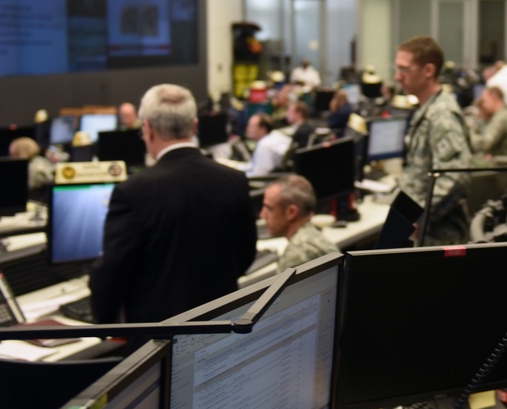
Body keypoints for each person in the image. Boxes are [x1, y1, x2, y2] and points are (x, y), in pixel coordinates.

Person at [89, 84, 257, 323]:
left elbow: (113, 272)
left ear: (147, 129)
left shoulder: (133, 191)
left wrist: (103, 323)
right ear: (195, 125)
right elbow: (245, 255)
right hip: (222, 330)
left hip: (160, 341)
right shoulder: (234, 179)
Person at [394, 36, 472, 245]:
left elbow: (456, 176)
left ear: (428, 70)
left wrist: (422, 215)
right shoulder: (428, 108)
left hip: (439, 236)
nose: (397, 77)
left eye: (404, 69)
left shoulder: (441, 114)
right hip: (425, 231)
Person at [260, 174, 340, 273]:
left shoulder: (294, 257)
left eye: (269, 208)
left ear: (291, 212)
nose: (262, 215)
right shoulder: (317, 238)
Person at [470, 86, 507, 160]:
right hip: (496, 158)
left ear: (494, 99)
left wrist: (468, 135)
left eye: (485, 101)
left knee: (467, 162)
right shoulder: (498, 115)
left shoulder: (502, 117)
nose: (483, 105)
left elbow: (485, 144)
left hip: (503, 163)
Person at [244, 112, 290, 178]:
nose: (247, 129)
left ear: (263, 129)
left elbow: (259, 176)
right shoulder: (276, 136)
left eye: (251, 126)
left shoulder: (264, 145)